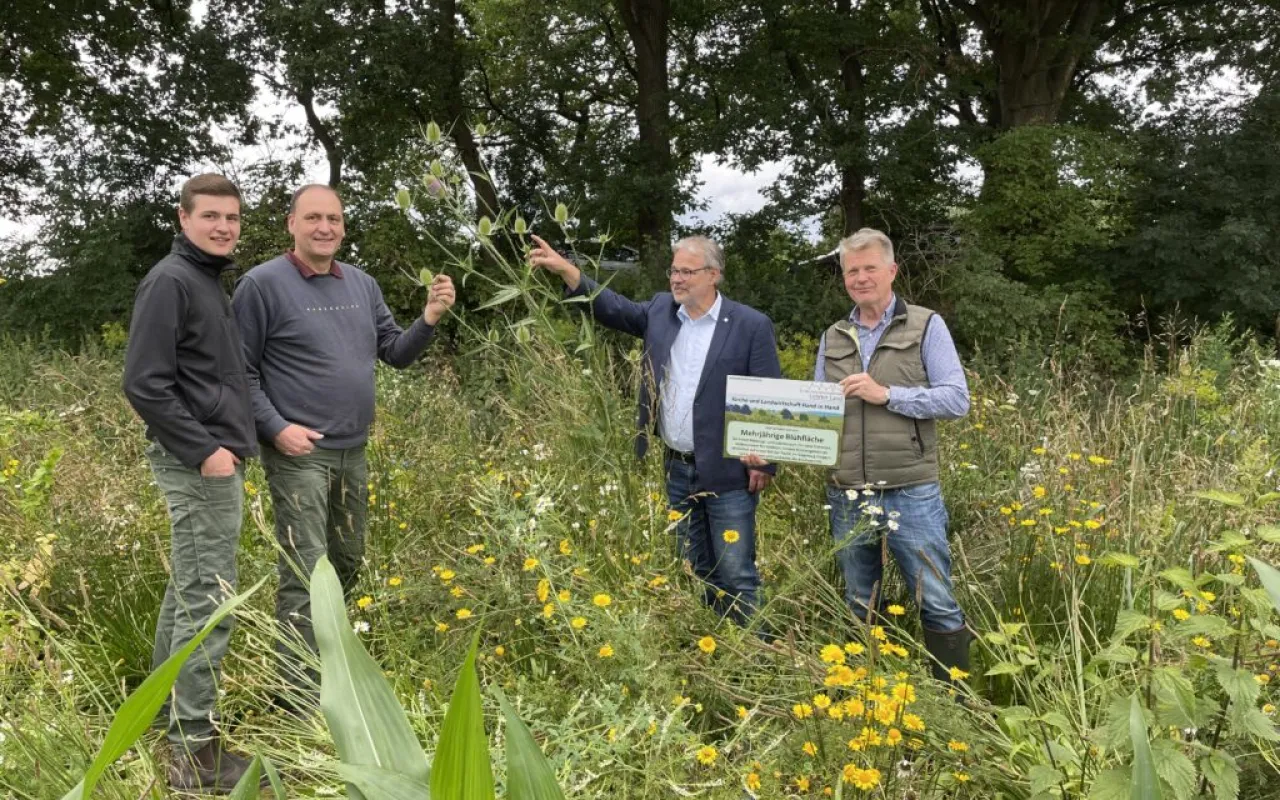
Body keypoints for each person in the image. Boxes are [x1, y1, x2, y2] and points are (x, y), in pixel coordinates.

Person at [231, 184, 454, 709]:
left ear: (343, 227)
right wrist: (276, 428)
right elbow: (239, 373)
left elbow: (394, 353)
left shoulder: (362, 283)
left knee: (347, 561)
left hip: (354, 450)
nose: (324, 227)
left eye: (333, 218)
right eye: (313, 218)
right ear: (292, 224)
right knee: (307, 572)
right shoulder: (260, 286)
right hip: (298, 453)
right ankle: (299, 700)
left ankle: (332, 668)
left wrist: (428, 319)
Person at [528, 234, 782, 625]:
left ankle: (755, 656)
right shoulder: (662, 311)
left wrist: (764, 462)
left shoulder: (750, 324)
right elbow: (612, 307)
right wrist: (566, 269)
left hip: (729, 471)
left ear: (714, 275)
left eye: (687, 271)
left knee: (736, 573)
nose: (676, 279)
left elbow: (769, 394)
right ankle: (707, 645)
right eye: (674, 270)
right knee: (692, 566)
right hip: (676, 468)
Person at [123, 173, 260, 791]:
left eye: (231, 217)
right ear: (182, 219)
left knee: (188, 593)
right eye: (210, 216)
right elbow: (144, 382)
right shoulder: (171, 281)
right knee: (210, 601)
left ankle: (159, 720)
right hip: (197, 463)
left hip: (212, 457)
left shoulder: (207, 281)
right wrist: (206, 450)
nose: (223, 227)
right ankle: (193, 754)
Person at [814, 227, 972, 683]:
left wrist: (887, 394)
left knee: (935, 597)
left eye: (869, 268)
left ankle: (955, 698)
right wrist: (767, 440)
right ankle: (867, 693)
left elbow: (956, 400)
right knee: (859, 598)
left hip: (911, 489)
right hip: (846, 491)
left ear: (891, 271)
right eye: (851, 271)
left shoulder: (926, 324)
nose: (860, 278)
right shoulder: (834, 335)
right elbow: (817, 409)